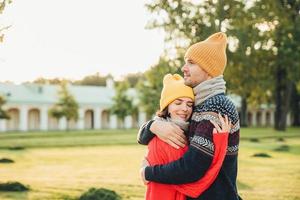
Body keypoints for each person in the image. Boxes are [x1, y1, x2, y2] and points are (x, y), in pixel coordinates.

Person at [138, 32, 241, 200]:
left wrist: (147, 172)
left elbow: (192, 167)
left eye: (191, 63)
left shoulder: (217, 105)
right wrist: (153, 126)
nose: (183, 68)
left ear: (208, 69)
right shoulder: (198, 104)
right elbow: (148, 136)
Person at [140, 73, 231, 200]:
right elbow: (196, 182)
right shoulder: (170, 138)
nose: (185, 109)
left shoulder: (171, 130)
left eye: (189, 104)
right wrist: (221, 141)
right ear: (167, 107)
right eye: (178, 103)